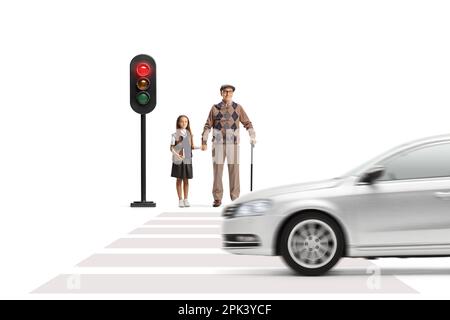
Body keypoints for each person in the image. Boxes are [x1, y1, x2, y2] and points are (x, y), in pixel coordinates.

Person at [201, 85, 256, 207]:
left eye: (230, 91)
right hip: (218, 144)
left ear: (233, 93)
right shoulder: (215, 108)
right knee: (217, 172)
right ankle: (217, 198)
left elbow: (247, 122)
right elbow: (207, 125)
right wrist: (204, 141)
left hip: (233, 143)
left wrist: (252, 136)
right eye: (225, 91)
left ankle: (235, 198)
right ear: (221, 93)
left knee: (234, 171)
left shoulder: (238, 108)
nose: (227, 93)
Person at [170, 115, 198, 207]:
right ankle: (180, 199)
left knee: (186, 180)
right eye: (182, 121)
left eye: (186, 121)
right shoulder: (175, 135)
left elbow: (192, 147)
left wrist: (201, 147)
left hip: (187, 160)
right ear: (178, 123)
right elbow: (171, 148)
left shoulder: (189, 134)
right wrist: (177, 155)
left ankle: (186, 199)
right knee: (179, 179)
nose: (184, 123)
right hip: (178, 160)